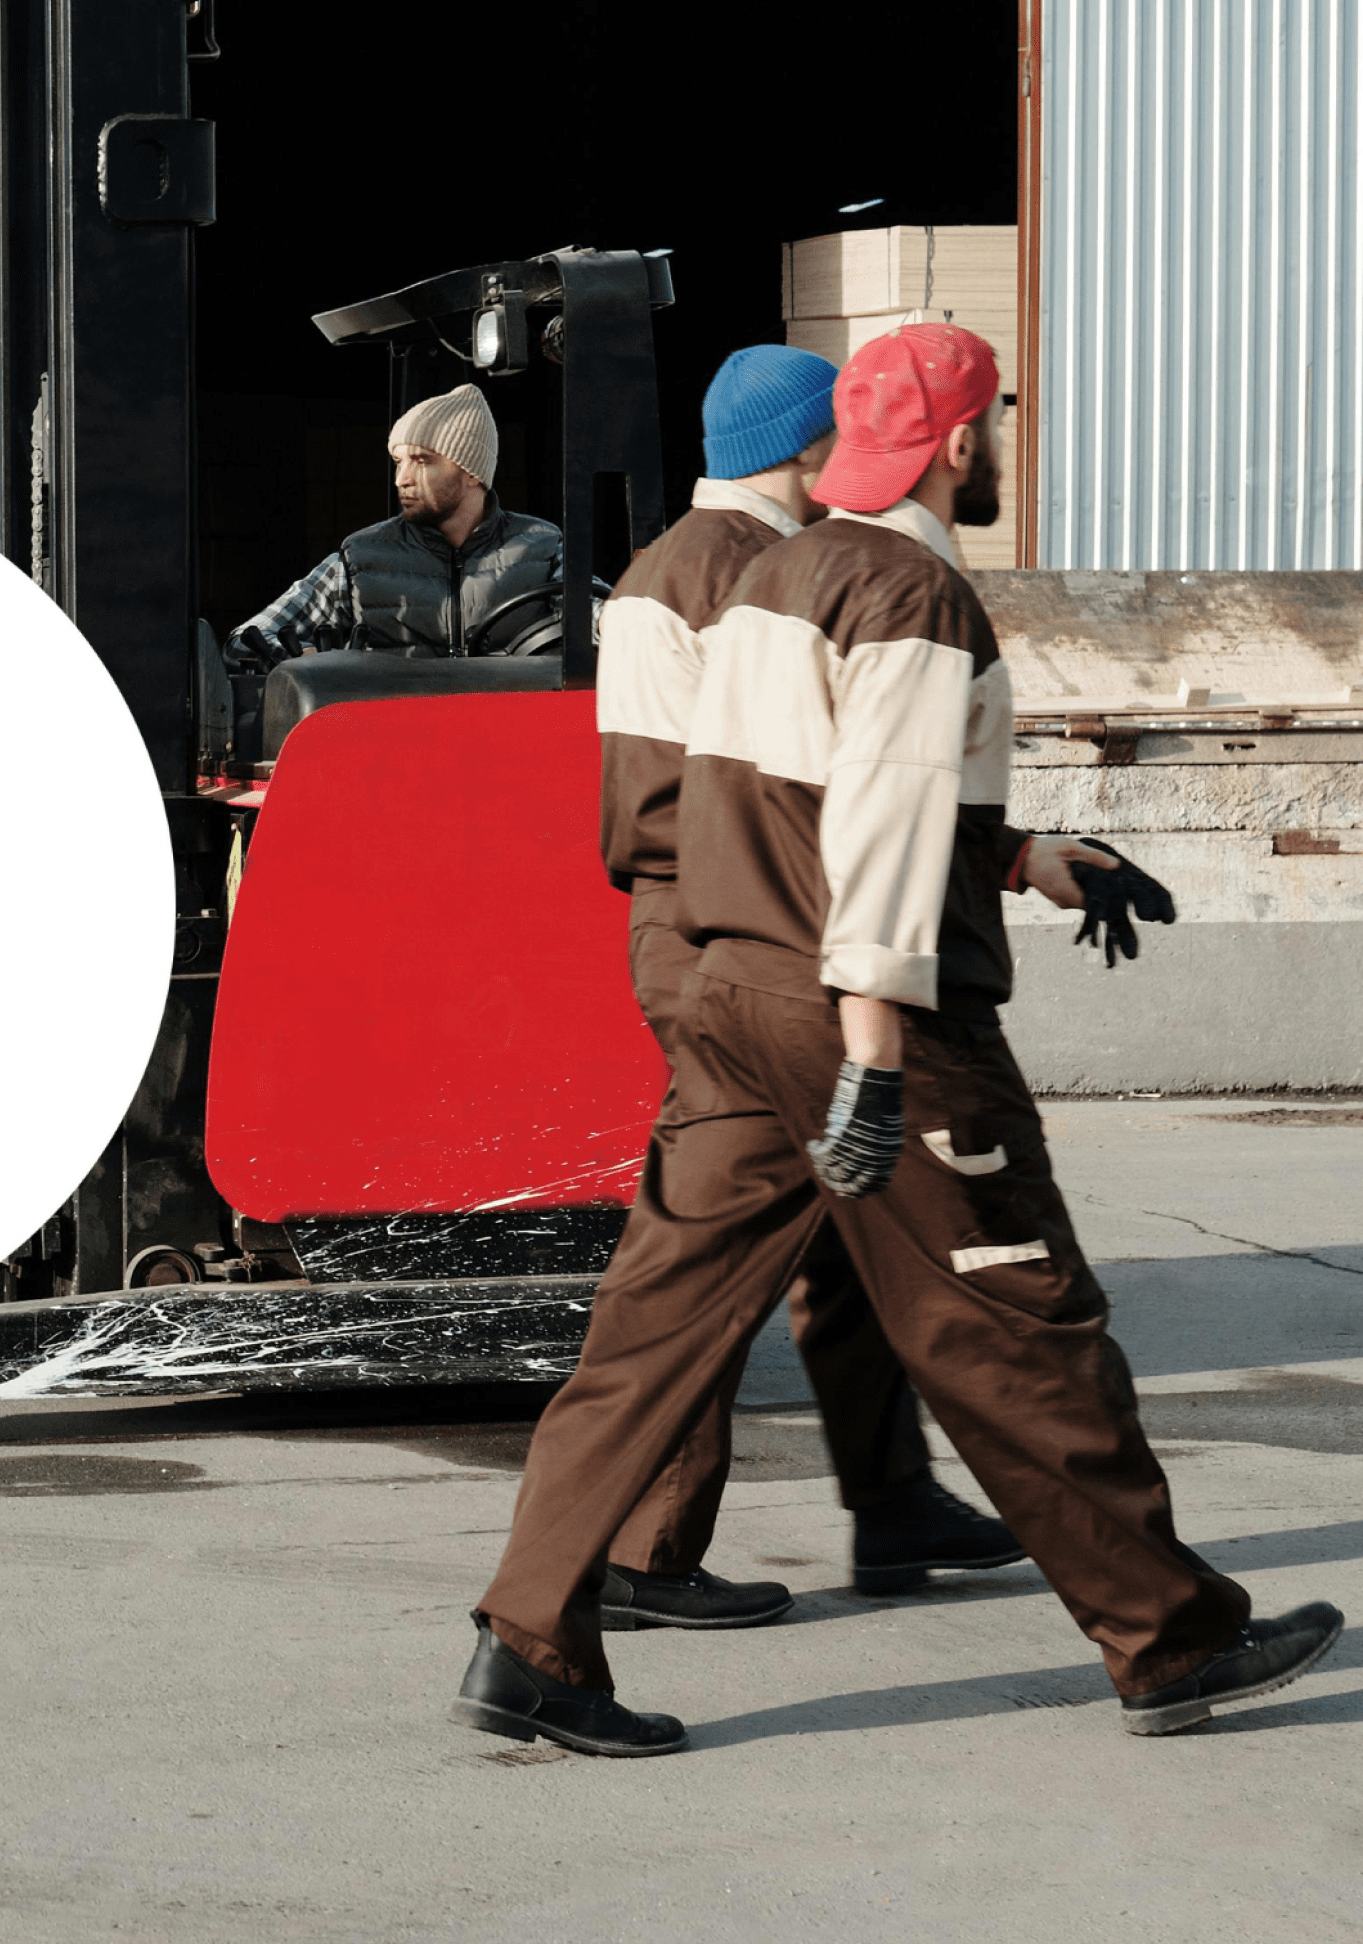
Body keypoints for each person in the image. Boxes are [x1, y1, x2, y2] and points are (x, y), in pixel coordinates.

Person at [454, 324, 1342, 1756]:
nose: (992, 442)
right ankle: (1169, 1642)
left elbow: (792, 798)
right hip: (859, 1016)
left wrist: (1029, 860)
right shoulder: (910, 589)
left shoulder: (783, 578)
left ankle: (528, 1637)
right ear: (950, 437)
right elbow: (867, 825)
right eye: (988, 419)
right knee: (1014, 1316)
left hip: (736, 1000)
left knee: (650, 1331)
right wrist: (873, 1042)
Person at [584, 344, 1022, 1634]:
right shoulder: (755, 571)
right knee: (720, 1254)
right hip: (745, 922)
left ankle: (889, 1502)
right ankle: (648, 1548)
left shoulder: (682, 558)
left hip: (717, 917)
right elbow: (823, 782)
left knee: (839, 1223)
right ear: (808, 444)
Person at [229, 383, 584, 663]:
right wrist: (307, 662)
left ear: (473, 473)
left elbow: (607, 620)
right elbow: (246, 640)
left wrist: (611, 621)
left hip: (510, 739)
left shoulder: (542, 546)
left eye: (421, 461)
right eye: (399, 462)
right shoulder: (361, 558)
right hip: (396, 745)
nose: (402, 478)